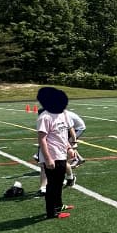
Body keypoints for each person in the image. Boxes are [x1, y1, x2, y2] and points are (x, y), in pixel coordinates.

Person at [36, 86, 74, 220]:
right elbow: (42, 139)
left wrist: (69, 148)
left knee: (58, 183)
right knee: (53, 185)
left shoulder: (62, 114)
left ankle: (59, 205)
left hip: (62, 154)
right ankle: (51, 212)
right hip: (52, 156)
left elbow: (63, 135)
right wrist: (48, 158)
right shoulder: (45, 117)